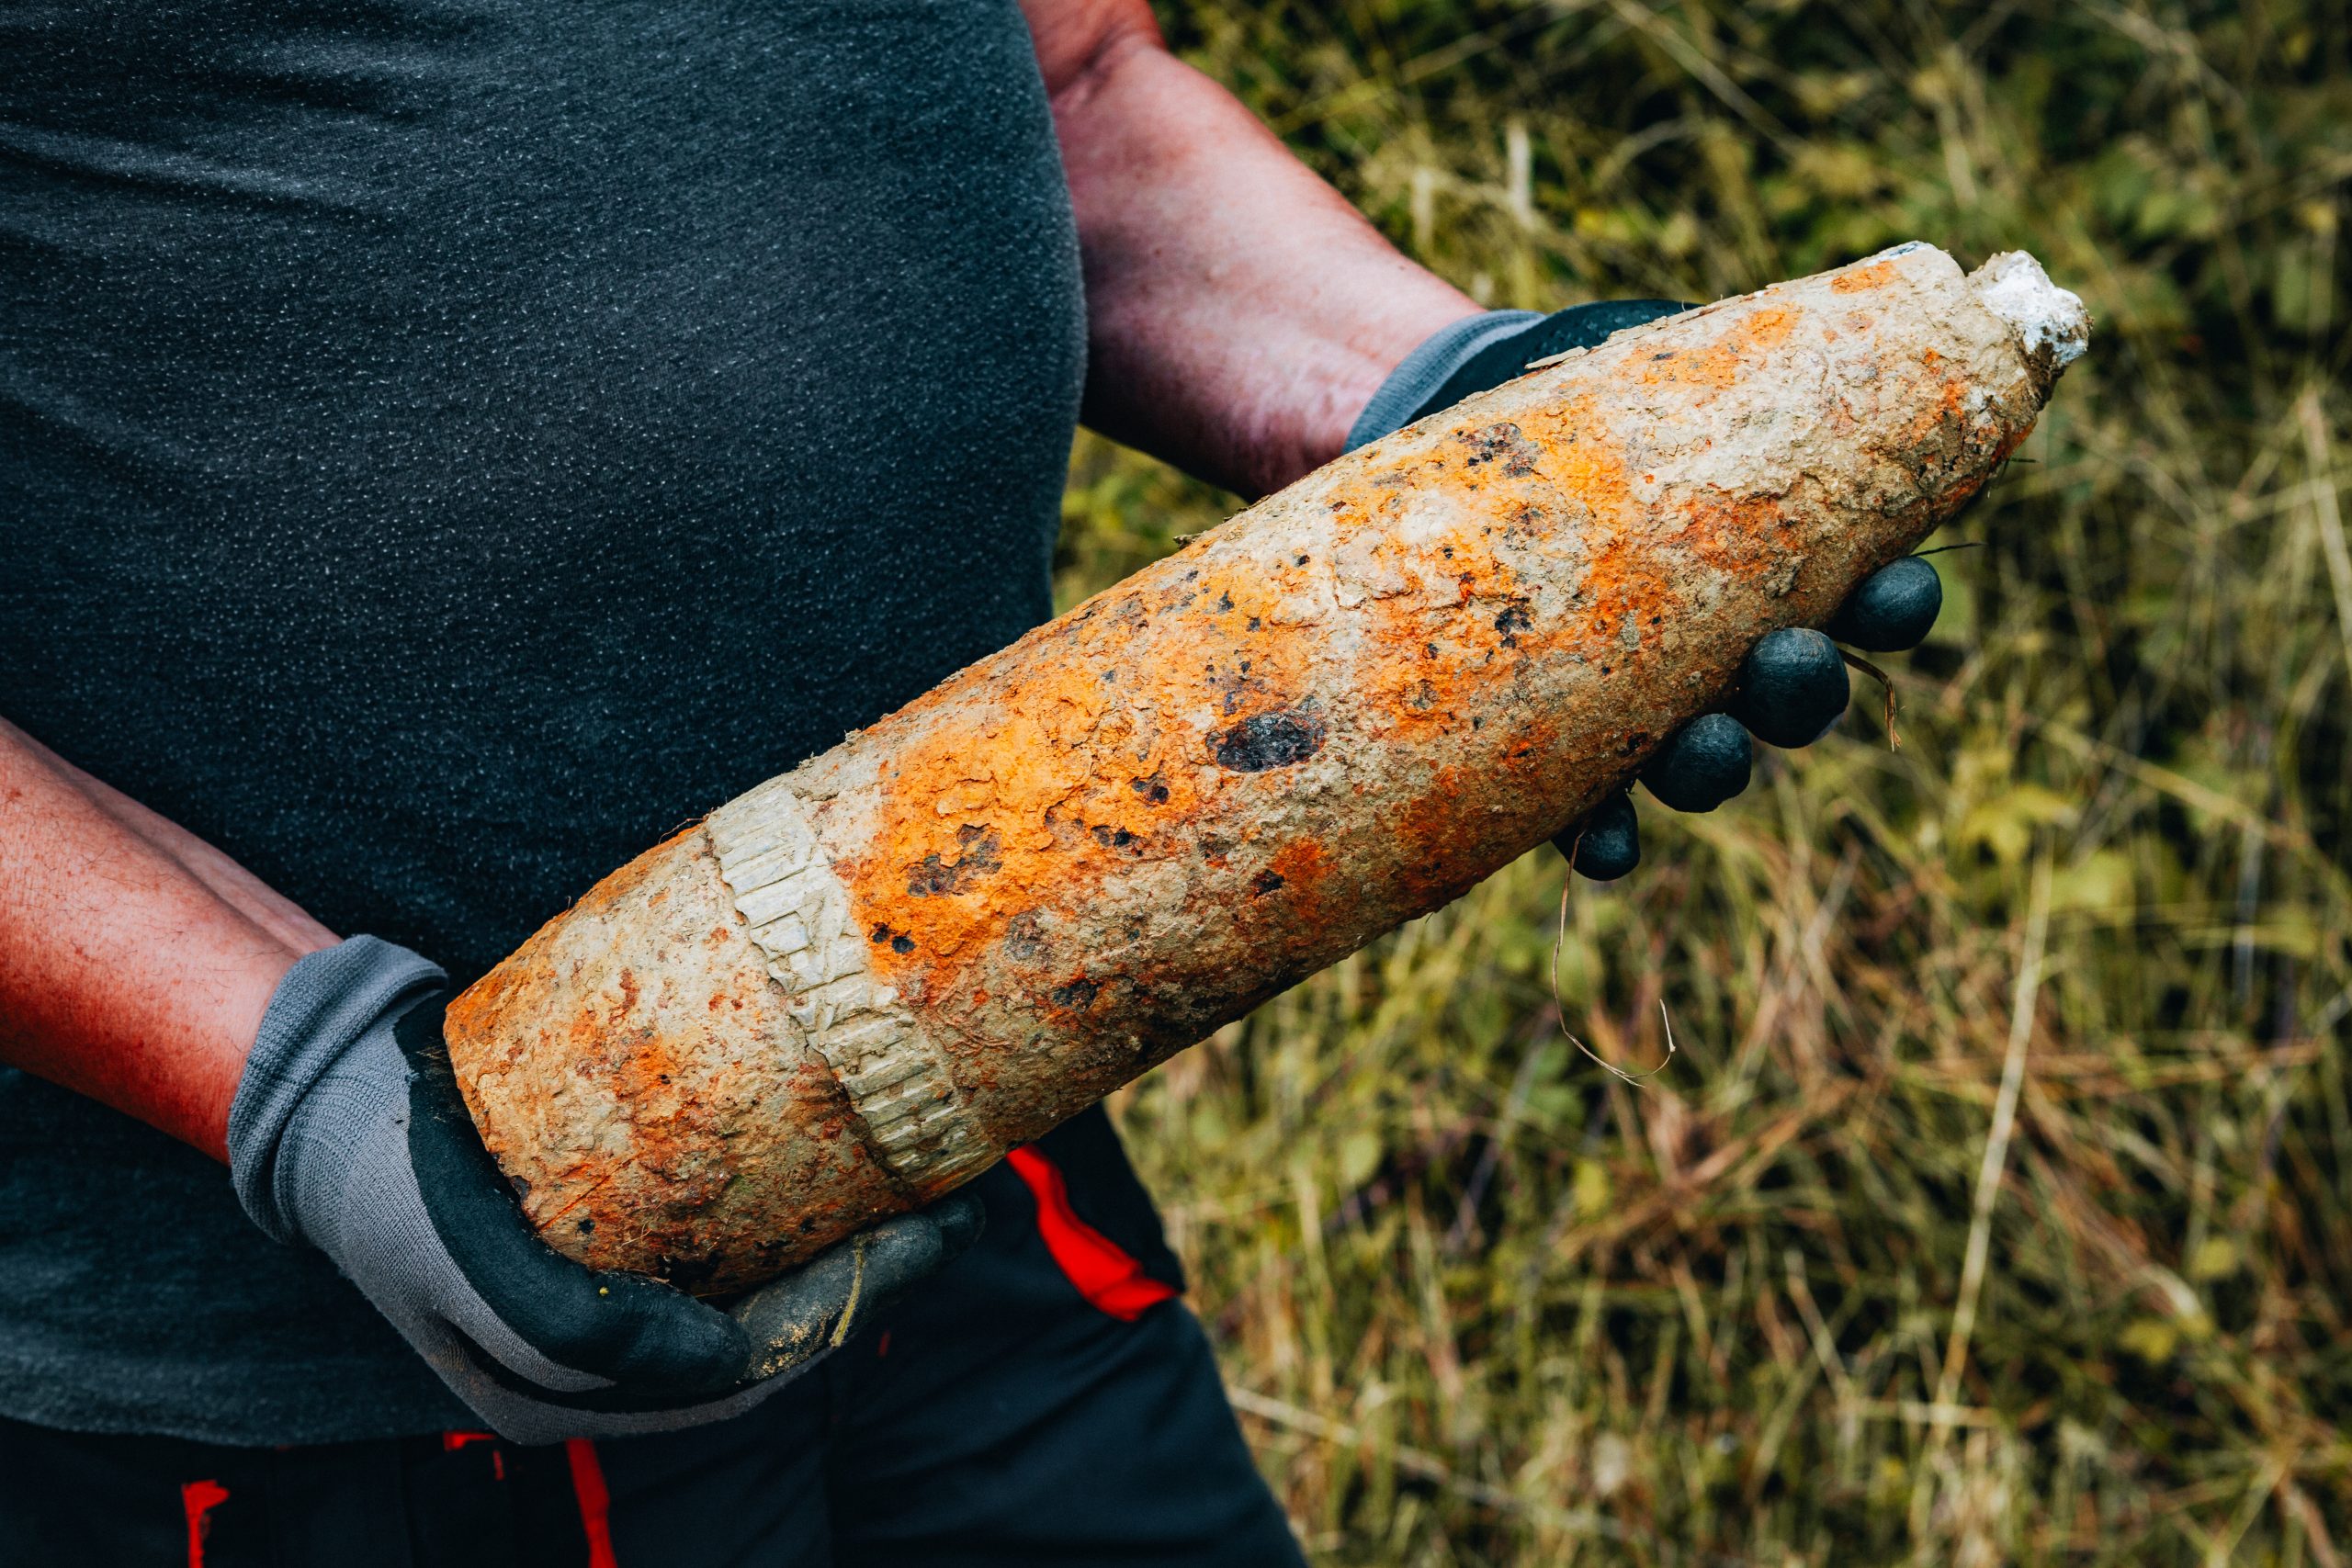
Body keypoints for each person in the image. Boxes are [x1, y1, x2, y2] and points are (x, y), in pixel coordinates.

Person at [0, 0, 1922, 1560]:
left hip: (966, 1160)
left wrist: (1451, 403)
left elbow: (1068, 88)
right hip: (315, 1388)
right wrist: (302, 1093)